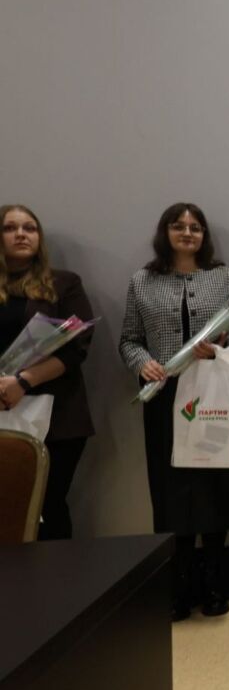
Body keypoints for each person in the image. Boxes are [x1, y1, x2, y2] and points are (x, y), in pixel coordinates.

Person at [119, 202, 229, 621]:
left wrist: (219, 351)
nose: (187, 233)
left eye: (195, 227)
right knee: (171, 488)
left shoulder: (226, 277)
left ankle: (214, 583)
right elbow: (129, 339)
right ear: (165, 232)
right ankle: (179, 586)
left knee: (217, 484)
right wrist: (142, 363)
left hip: (214, 395)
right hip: (165, 397)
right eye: (178, 226)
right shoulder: (142, 281)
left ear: (204, 235)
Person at [0, 204, 95, 540]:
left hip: (58, 416)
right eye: (10, 228)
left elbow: (78, 346)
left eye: (29, 228)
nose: (21, 234)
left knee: (47, 505)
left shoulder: (64, 283)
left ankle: (57, 575)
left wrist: (23, 382)